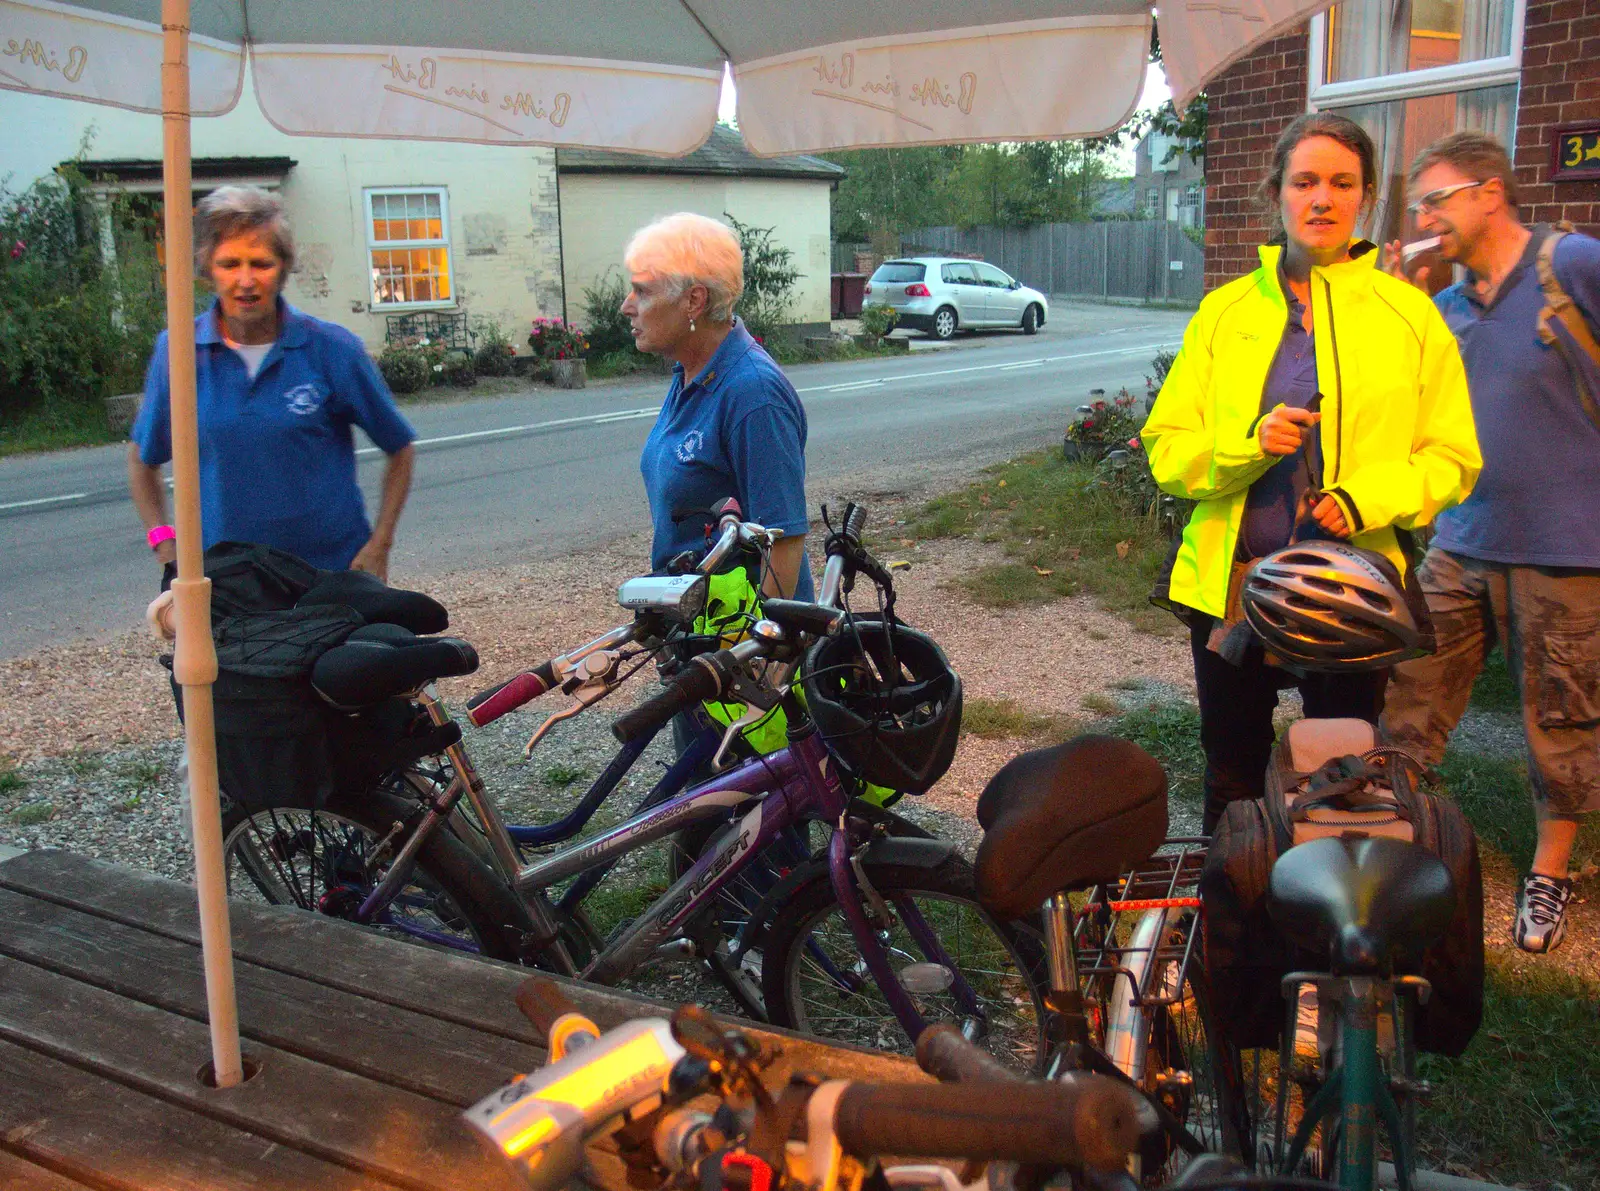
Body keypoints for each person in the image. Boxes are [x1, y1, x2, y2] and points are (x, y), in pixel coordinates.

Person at [1142, 112, 1480, 835]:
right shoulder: (1224, 313)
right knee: (1231, 766)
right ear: (1278, 194)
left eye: (1341, 182)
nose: (1321, 198)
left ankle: (1329, 927)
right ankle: (1231, 918)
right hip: (1233, 582)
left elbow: (1452, 457)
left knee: (1343, 768)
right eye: (1305, 182)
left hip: (1352, 587)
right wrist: (1249, 444)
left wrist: (1365, 498)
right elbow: (1168, 448)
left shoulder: (1411, 318)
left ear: (1364, 199)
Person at [1381, 132, 1600, 954]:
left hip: (1567, 547)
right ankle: (1395, 844)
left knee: (1562, 714)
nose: (1426, 217)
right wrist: (1403, 298)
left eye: (1436, 199)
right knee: (1410, 687)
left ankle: (1550, 870)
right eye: (1419, 207)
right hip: (1462, 539)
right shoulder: (1446, 306)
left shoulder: (1571, 266)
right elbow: (1403, 404)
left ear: (1490, 193)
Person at [128, 186, 416, 582]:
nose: (246, 281)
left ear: (282, 269)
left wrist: (380, 544)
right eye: (230, 264)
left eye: (260, 263)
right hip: (227, 583)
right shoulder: (178, 352)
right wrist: (165, 546)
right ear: (207, 268)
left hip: (332, 574)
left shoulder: (331, 348)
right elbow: (143, 459)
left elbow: (399, 448)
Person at [624, 212, 812, 601]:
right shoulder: (691, 373)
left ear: (694, 300)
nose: (627, 306)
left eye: (642, 292)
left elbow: (784, 541)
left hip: (741, 645)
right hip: (698, 630)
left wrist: (765, 658)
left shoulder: (753, 393)